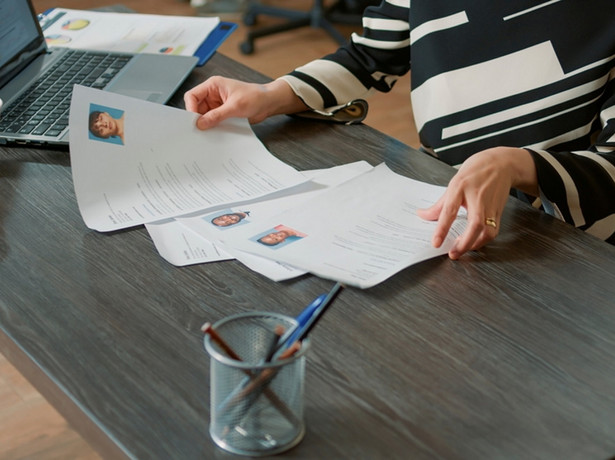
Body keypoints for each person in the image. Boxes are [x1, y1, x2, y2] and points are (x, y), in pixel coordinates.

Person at [184, 2, 615, 259]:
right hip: (441, 210)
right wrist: (270, 95)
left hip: (562, 239)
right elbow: (369, 57)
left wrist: (516, 164)